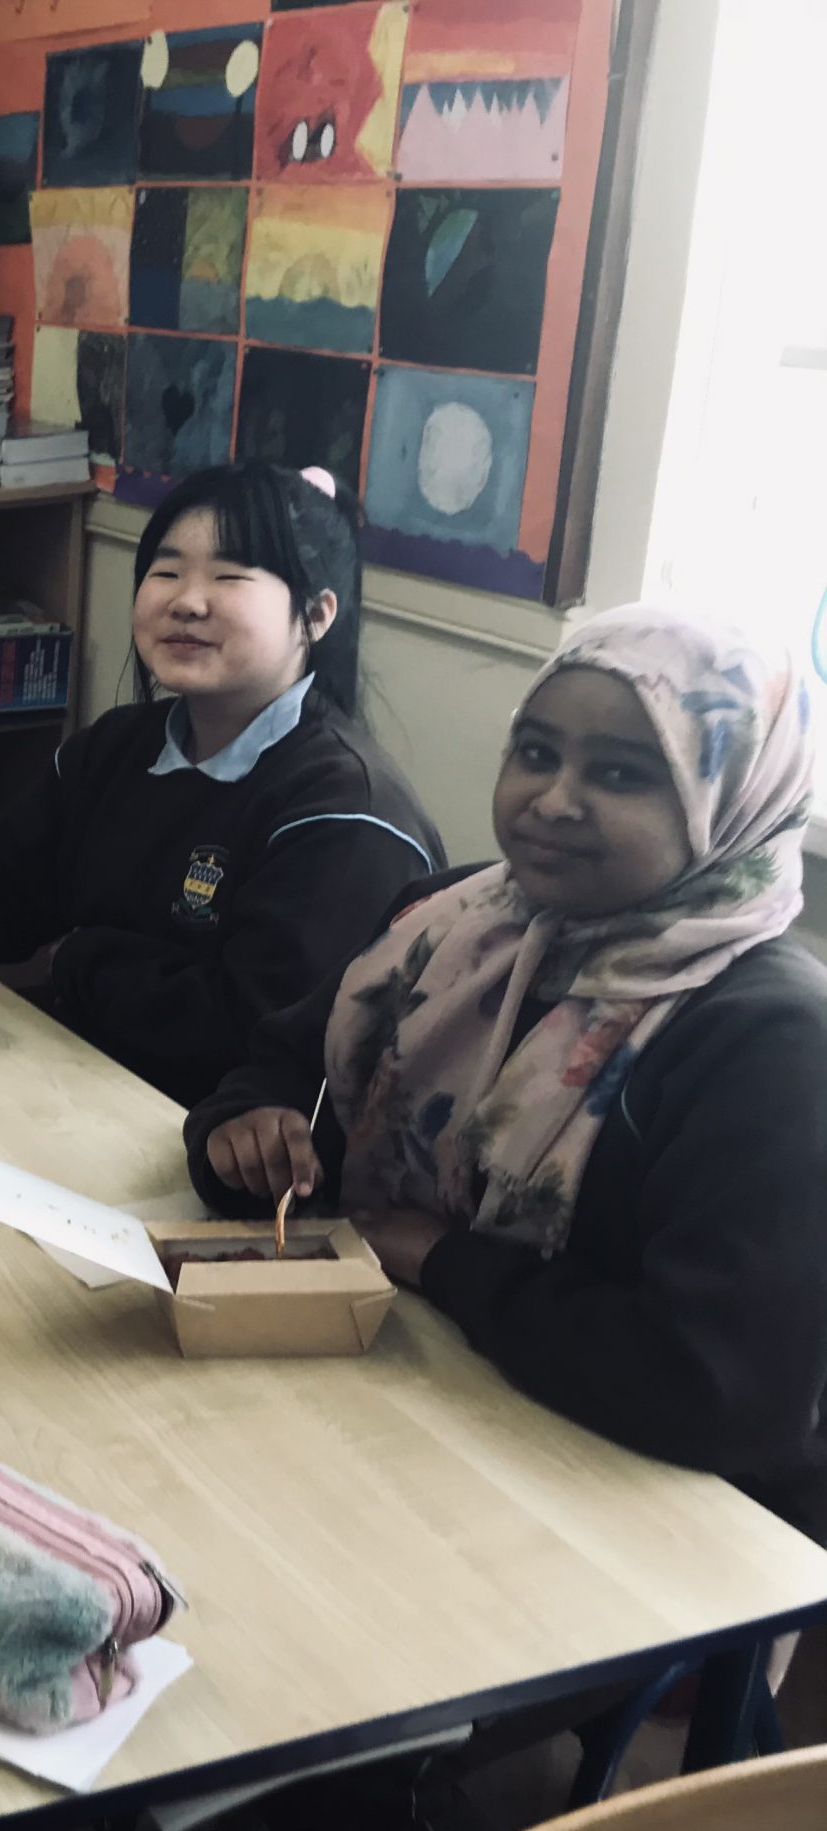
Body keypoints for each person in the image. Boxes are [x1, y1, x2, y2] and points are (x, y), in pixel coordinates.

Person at [188, 605, 827, 1541]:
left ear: (730, 798)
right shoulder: (452, 922)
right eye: (535, 753)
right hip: (411, 1394)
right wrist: (245, 1128)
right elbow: (283, 1065)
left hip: (644, 1512)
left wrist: (444, 1261)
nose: (554, 800)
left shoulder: (773, 1041)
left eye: (621, 773)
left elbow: (715, 1387)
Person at [0, 461, 442, 1107]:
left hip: (208, 1128)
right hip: (80, 1074)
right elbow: (3, 883)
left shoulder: (346, 813)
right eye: (167, 571)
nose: (186, 601)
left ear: (316, 616)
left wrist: (78, 960)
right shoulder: (119, 746)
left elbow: (249, 1033)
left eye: (229, 576)